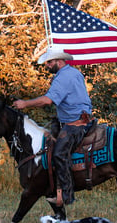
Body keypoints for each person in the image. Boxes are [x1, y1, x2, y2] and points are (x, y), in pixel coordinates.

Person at [13, 47, 93, 207]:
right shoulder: (74, 72)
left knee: (58, 154)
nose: (47, 66)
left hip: (75, 123)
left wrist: (25, 104)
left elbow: (48, 100)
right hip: (75, 118)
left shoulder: (63, 77)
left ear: (59, 61)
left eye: (49, 62)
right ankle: (50, 187)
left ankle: (66, 195)